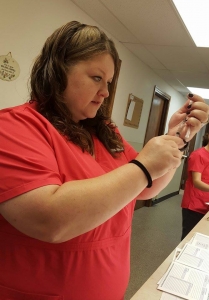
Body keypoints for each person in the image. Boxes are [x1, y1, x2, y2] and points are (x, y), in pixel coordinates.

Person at [0, 21, 208, 300]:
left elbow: (146, 188)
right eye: (97, 78)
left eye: (108, 82)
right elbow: (48, 220)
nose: (106, 92)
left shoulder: (105, 132)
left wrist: (177, 137)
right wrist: (143, 166)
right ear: (57, 70)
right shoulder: (15, 127)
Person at [181, 132, 209, 240]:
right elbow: (197, 182)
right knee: (189, 238)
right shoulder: (199, 155)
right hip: (194, 205)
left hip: (206, 203)